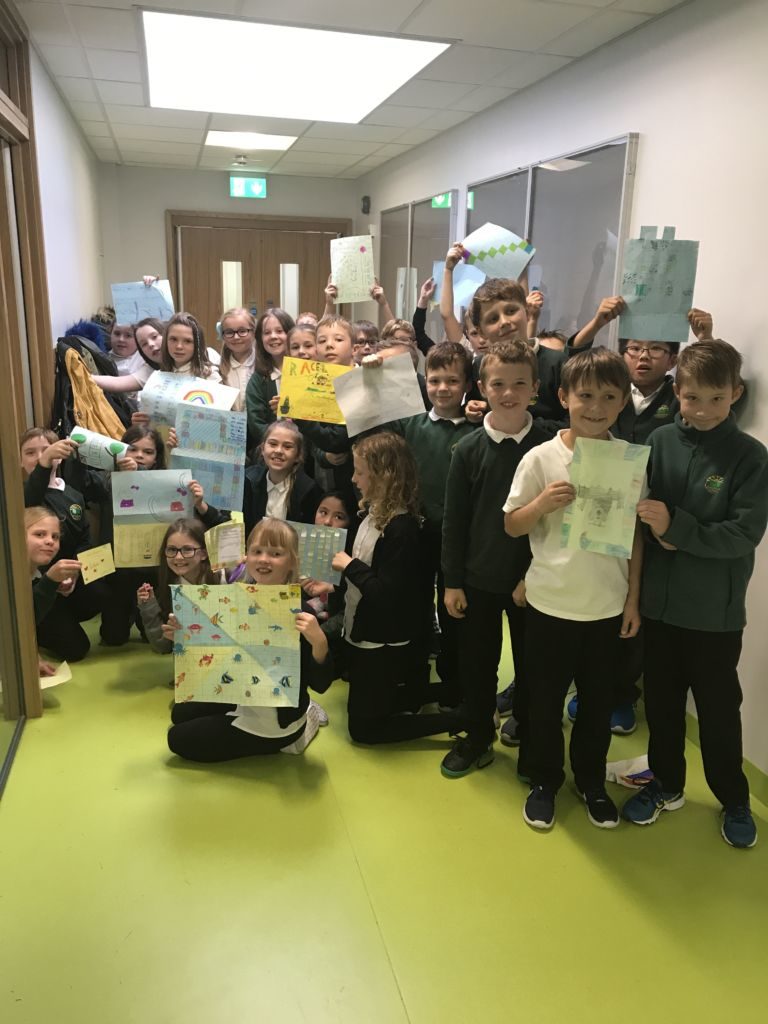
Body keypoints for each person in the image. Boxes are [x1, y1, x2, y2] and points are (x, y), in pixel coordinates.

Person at [622, 340, 768, 849]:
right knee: (662, 707)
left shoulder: (750, 456)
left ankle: (734, 799)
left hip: (713, 616)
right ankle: (666, 785)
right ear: (676, 392)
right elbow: (637, 509)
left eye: (716, 399)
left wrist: (677, 529)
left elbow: (743, 535)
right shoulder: (659, 441)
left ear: (735, 394)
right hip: (659, 609)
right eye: (691, 398)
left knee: (718, 712)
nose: (702, 410)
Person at [504, 348, 643, 831]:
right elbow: (512, 525)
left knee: (597, 705)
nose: (596, 407)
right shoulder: (541, 458)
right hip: (551, 603)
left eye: (609, 397)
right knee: (543, 703)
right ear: (564, 397)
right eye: (585, 395)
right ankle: (544, 780)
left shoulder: (629, 461)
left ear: (623, 401)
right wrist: (541, 504)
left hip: (606, 606)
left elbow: (635, 537)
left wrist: (632, 598)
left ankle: (590, 782)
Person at [442, 340, 548, 777]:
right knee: (478, 665)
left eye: (519, 384)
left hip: (534, 582)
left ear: (535, 388)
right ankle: (478, 736)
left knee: (533, 665)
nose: (508, 393)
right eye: (498, 384)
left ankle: (528, 732)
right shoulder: (467, 450)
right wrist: (452, 581)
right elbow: (455, 521)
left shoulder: (549, 445)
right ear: (482, 387)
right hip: (478, 579)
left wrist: (532, 575)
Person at [331, 432, 463, 745]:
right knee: (375, 702)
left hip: (381, 636)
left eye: (361, 472)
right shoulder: (373, 514)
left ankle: (466, 718)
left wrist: (349, 566)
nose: (354, 479)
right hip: (365, 627)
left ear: (384, 476)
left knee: (363, 730)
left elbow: (385, 593)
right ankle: (454, 691)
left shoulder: (400, 527)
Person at [166, 518, 334, 762]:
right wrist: (184, 638)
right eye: (257, 551)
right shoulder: (236, 597)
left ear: (292, 561)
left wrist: (319, 642)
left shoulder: (300, 612)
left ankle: (304, 723)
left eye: (276, 553)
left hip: (274, 721)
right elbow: (214, 656)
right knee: (180, 712)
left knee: (176, 739)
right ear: (247, 556)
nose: (264, 559)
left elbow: (320, 683)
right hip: (240, 693)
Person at [98, 425, 167, 646]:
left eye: (148, 452)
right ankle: (125, 615)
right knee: (113, 637)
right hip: (117, 567)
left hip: (150, 567)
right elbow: (82, 481)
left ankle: (139, 615)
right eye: (133, 449)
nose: (139, 455)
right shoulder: (108, 479)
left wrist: (139, 473)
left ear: (156, 458)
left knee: (151, 636)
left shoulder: (164, 482)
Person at [137, 518, 222, 654]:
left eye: (187, 549)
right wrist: (148, 606)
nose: (178, 557)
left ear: (204, 553)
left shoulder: (224, 579)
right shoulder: (170, 587)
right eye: (171, 550)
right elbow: (162, 647)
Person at [26, 506, 93, 662]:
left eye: (55, 537)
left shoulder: (38, 567)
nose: (50, 541)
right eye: (39, 534)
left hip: (37, 615)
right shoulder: (9, 576)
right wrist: (50, 581)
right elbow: (19, 622)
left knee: (78, 647)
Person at [245, 307, 295, 444]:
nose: (273, 336)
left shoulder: (306, 372)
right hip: (272, 451)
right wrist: (280, 444)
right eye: (267, 333)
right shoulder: (257, 380)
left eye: (279, 331)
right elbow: (257, 425)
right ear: (260, 339)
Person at [89, 317, 164, 395]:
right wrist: (85, 376)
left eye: (128, 335)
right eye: (117, 333)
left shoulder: (146, 357)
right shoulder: (103, 360)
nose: (121, 339)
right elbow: (118, 383)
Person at [160, 312, 221, 382]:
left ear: (197, 344)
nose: (179, 346)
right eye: (174, 339)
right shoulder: (159, 375)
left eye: (187, 341)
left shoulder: (209, 375)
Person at [218, 307, 256, 411]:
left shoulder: (265, 365)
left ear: (253, 332)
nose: (236, 337)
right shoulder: (217, 370)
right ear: (223, 336)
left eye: (242, 331)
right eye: (229, 332)